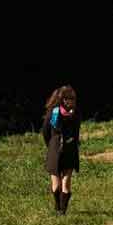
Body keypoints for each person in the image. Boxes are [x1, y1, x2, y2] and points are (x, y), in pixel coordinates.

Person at [42, 84, 80, 213]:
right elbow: (76, 133)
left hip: (57, 149)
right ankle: (61, 210)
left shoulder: (53, 113)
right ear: (62, 99)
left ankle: (59, 208)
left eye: (72, 98)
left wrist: (51, 145)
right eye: (68, 98)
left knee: (60, 181)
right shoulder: (73, 114)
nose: (70, 101)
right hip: (66, 149)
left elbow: (45, 132)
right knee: (62, 182)